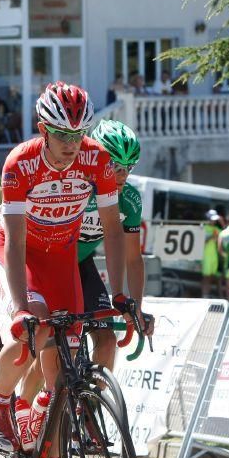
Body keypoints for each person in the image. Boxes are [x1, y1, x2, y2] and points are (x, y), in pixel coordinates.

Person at [0, 82, 133, 458]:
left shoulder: (97, 159)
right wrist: (20, 307)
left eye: (78, 135)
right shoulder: (20, 164)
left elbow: (111, 228)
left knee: (63, 380)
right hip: (20, 253)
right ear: (42, 129)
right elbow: (13, 242)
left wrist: (119, 293)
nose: (72, 145)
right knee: (37, 329)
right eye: (62, 136)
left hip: (63, 257)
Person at [76, 120, 154, 376]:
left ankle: (89, 411)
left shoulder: (129, 200)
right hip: (49, 264)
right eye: (117, 167)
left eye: (129, 168)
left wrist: (136, 308)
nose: (123, 175)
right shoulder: (77, 187)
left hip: (82, 264)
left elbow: (133, 259)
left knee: (108, 342)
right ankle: (33, 408)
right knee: (58, 345)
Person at [201, 210, 222, 298]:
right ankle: (204, 295)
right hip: (206, 256)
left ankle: (209, 295)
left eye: (215, 219)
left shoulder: (217, 229)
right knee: (206, 277)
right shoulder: (203, 228)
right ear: (208, 219)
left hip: (215, 257)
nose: (214, 221)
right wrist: (211, 237)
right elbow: (201, 242)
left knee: (213, 277)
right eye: (212, 219)